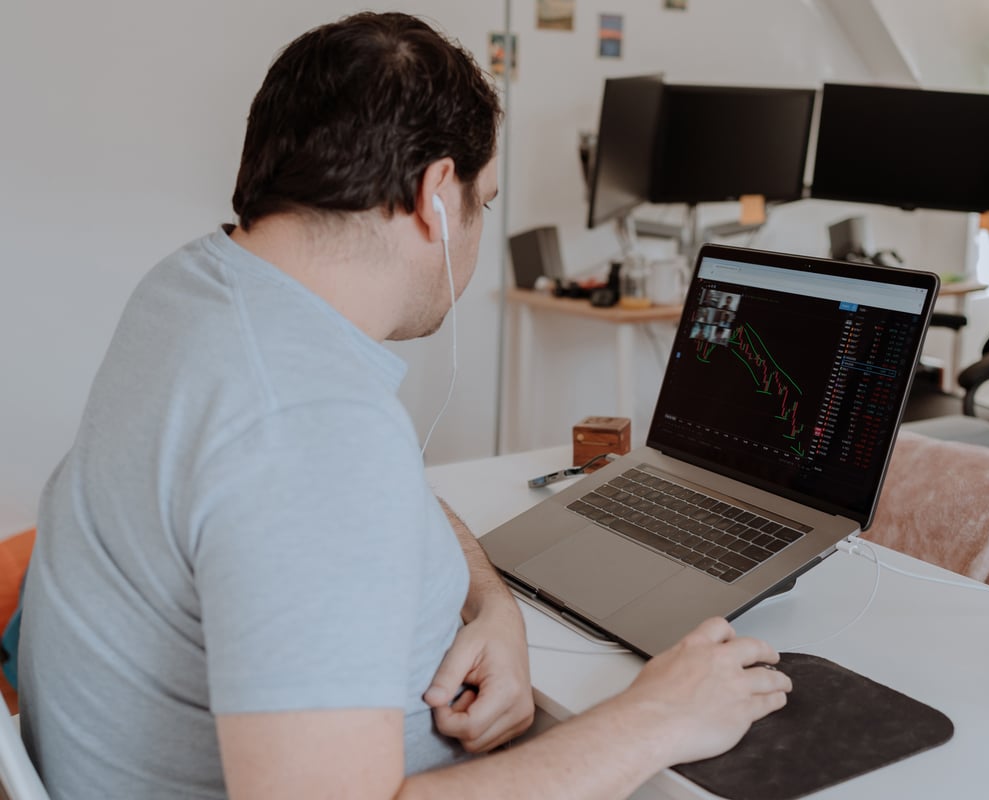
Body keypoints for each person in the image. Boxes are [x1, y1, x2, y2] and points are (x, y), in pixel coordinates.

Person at [19, 12, 791, 799]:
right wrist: (654, 718)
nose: (480, 225)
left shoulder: (200, 289)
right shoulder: (309, 427)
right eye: (484, 201)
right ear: (436, 196)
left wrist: (491, 605)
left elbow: (375, 500)